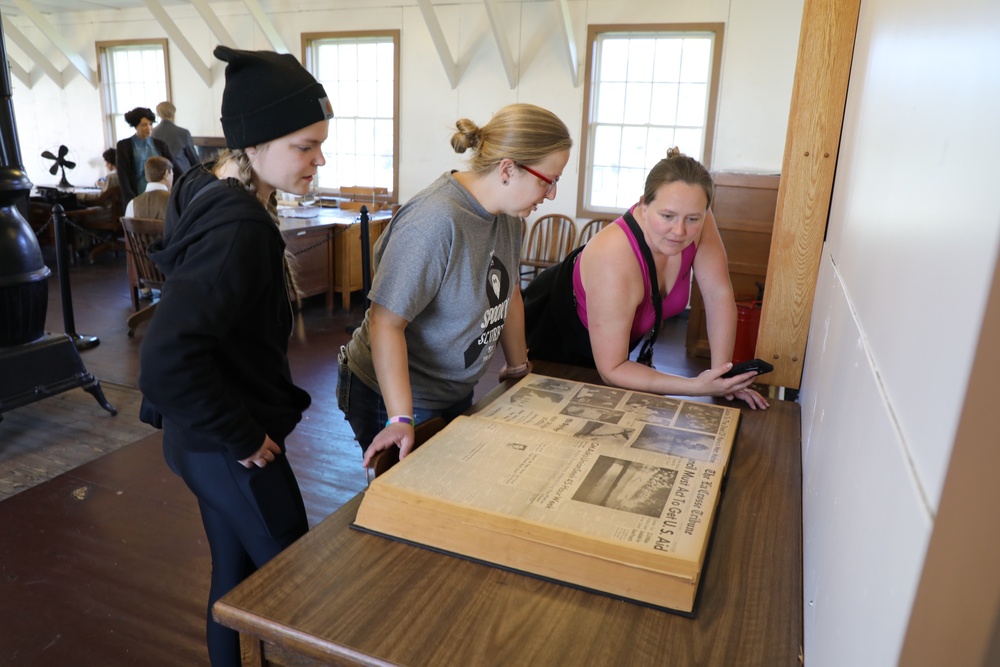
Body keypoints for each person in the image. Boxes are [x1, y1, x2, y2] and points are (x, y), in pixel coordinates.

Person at [137, 45, 333, 667]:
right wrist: (244, 436)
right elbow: (167, 359)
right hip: (228, 448)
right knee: (298, 591)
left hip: (196, 443)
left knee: (234, 580)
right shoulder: (240, 227)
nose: (319, 159)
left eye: (320, 144)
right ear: (254, 143)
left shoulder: (205, 185)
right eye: (305, 145)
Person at [338, 103, 573, 468]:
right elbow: (387, 322)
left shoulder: (509, 217)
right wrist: (400, 417)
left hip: (453, 387)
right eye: (549, 180)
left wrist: (518, 368)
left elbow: (508, 294)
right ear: (508, 169)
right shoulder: (435, 221)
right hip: (393, 393)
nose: (552, 194)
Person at [524, 148, 769, 410]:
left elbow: (718, 295)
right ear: (643, 204)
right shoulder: (613, 254)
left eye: (693, 218)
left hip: (616, 349)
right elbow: (613, 369)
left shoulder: (699, 220)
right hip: (557, 341)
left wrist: (723, 377)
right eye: (667, 216)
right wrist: (698, 386)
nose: (680, 231)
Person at [116, 106, 176, 209]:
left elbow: (173, 167)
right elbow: (123, 177)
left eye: (150, 124)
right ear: (135, 126)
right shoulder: (124, 146)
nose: (148, 128)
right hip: (137, 196)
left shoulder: (161, 144)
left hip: (161, 196)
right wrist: (131, 201)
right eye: (144, 125)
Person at [152, 100, 199, 175]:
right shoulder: (183, 133)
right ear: (173, 113)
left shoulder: (152, 133)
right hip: (183, 175)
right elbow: (194, 159)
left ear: (158, 114)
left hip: (160, 175)